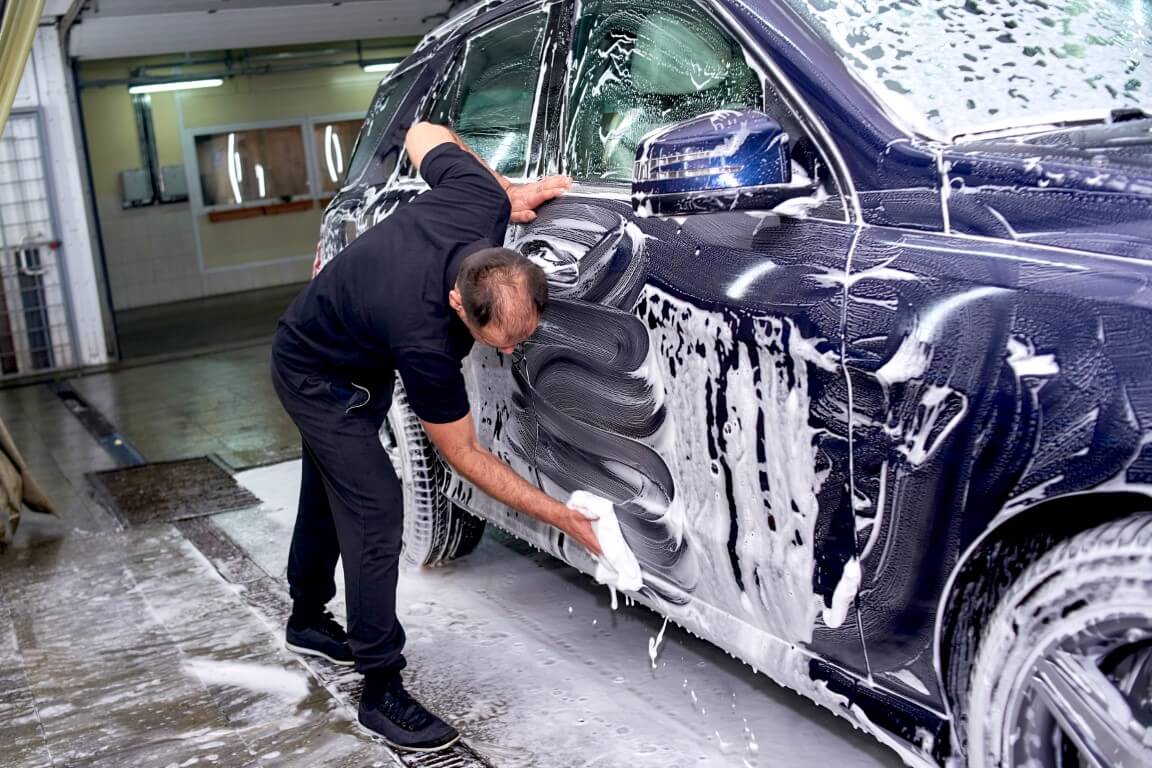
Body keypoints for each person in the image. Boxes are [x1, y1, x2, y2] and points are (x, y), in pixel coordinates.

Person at [269, 122, 602, 753]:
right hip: (312, 371)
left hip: (353, 346)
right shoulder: (423, 339)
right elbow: (464, 455)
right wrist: (562, 516)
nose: (513, 351)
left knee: (330, 487)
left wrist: (503, 188)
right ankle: (380, 688)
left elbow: (422, 131)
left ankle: (307, 619)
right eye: (501, 342)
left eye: (523, 337)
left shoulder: (478, 198)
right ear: (457, 303)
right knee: (374, 508)